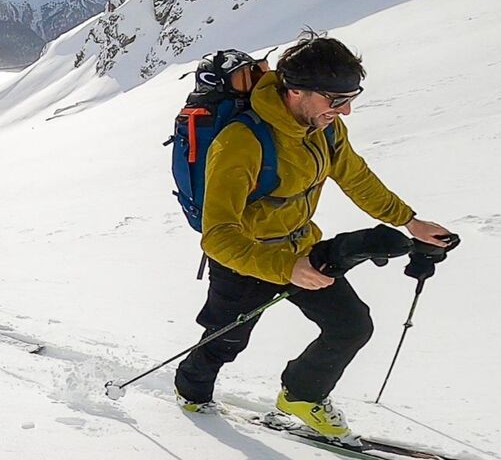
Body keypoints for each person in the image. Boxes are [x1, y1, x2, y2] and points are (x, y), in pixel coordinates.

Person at [173, 32, 454, 442]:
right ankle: (191, 394)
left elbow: (355, 177)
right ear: (296, 91)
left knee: (351, 325)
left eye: (351, 97)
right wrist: (288, 268)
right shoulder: (241, 143)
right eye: (336, 100)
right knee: (225, 341)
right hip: (247, 260)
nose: (347, 110)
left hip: (302, 247)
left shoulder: (324, 128)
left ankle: (302, 396)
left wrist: (409, 221)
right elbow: (218, 237)